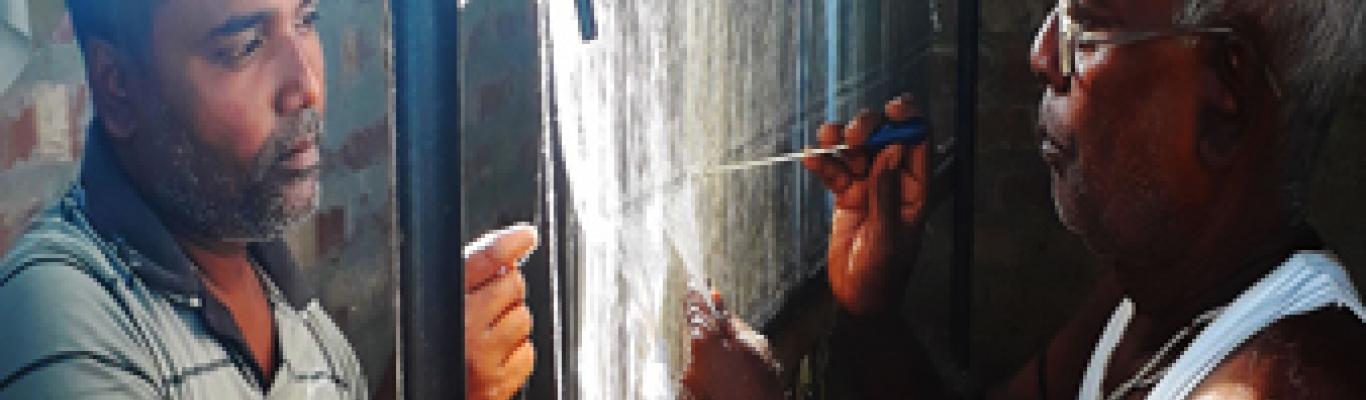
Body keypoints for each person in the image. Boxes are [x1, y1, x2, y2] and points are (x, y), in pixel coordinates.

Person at [684, 0, 1366, 398]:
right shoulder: (1153, 303)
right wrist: (874, 310)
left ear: (1223, 98)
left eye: (1086, 28)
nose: (1042, 55)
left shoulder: (1274, 384)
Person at [0, 0, 540, 398]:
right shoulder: (58, 314)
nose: (305, 87)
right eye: (245, 47)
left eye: (305, 20)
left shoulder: (298, 319)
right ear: (118, 87)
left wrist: (420, 373)